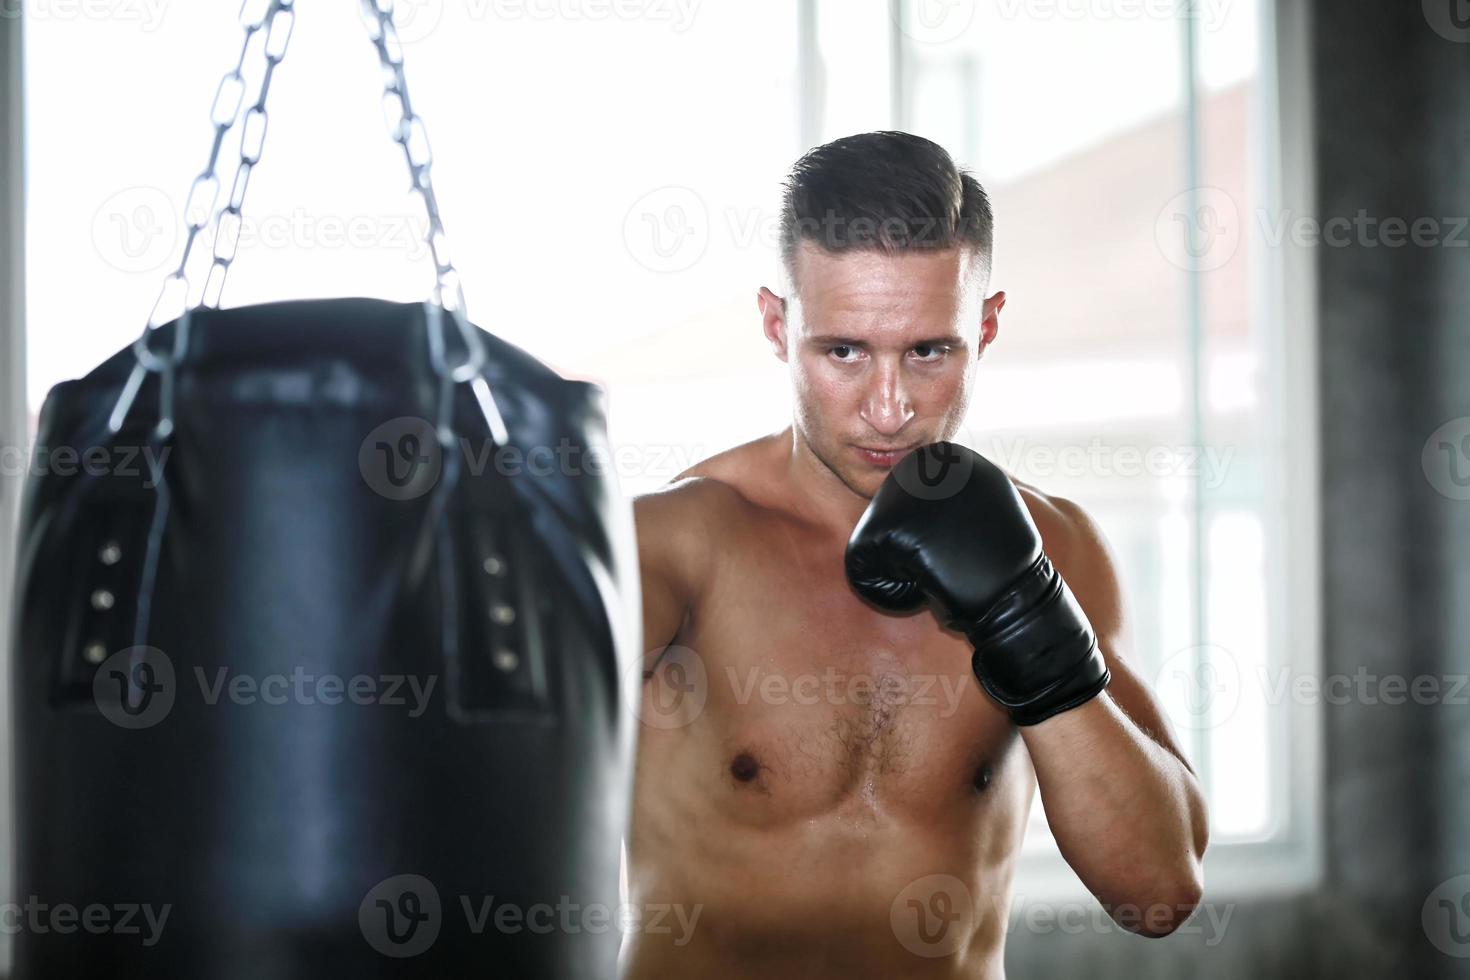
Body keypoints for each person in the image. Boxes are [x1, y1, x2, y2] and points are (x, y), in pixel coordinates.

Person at [620, 131, 1208, 979]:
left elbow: (1160, 890)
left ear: (988, 324)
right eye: (845, 351)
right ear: (777, 326)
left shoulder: (1055, 546)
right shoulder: (678, 543)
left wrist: (1026, 614)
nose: (889, 409)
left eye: (929, 350)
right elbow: (487, 763)